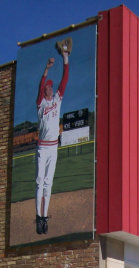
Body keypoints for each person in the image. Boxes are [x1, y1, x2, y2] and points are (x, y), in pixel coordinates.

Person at [35, 49, 69, 234]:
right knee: (39, 181)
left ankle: (44, 217)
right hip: (42, 147)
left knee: (48, 182)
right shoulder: (41, 105)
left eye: (50, 86)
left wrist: (65, 59)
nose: (51, 87)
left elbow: (64, 80)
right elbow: (40, 88)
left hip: (53, 147)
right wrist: (46, 70)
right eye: (49, 86)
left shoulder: (57, 100)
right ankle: (38, 218)